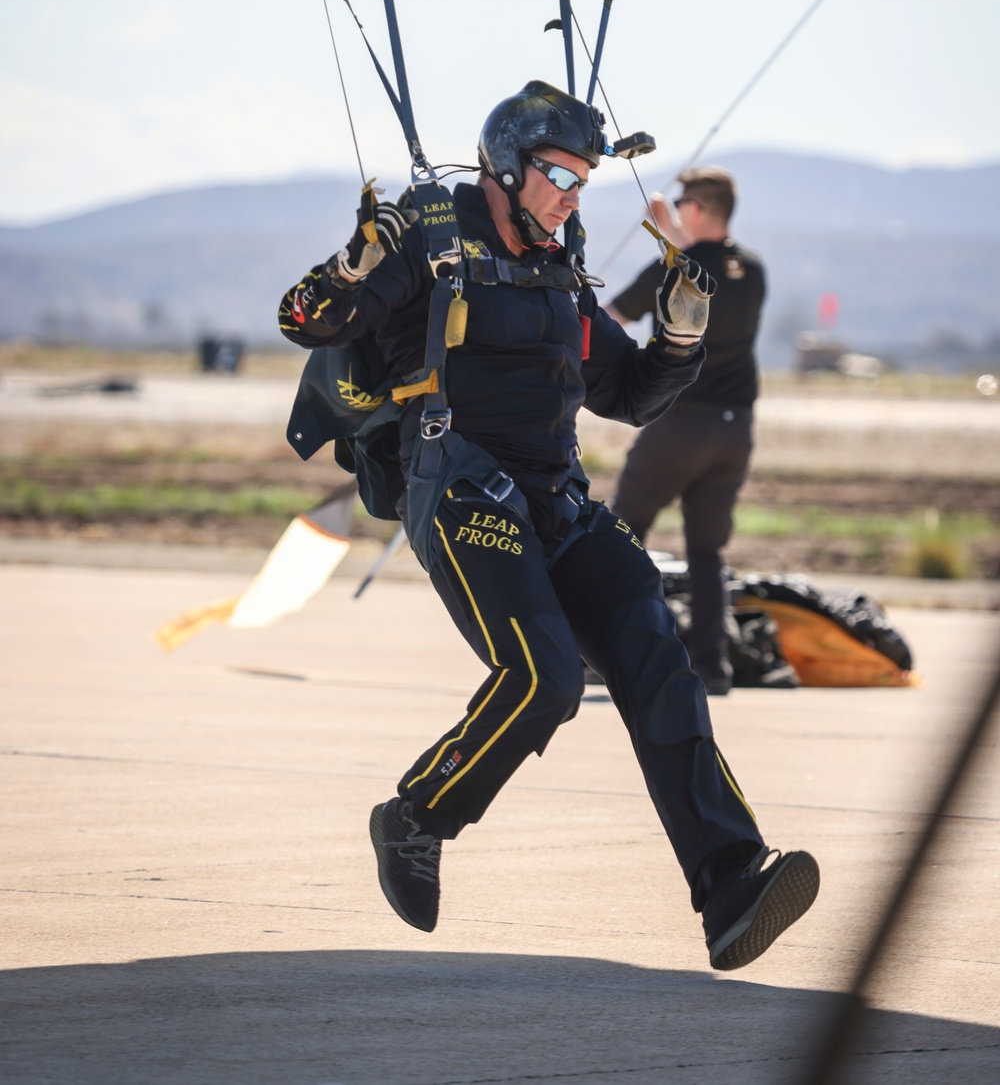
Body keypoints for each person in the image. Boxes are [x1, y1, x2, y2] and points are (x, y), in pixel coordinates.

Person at [278, 84, 816, 968]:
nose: (572, 196)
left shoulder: (560, 271)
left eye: (583, 181)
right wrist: (348, 266)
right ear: (505, 166)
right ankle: (415, 815)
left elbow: (627, 394)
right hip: (459, 492)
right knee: (546, 677)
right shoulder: (427, 241)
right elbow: (302, 319)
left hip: (558, 501)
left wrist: (680, 343)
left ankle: (729, 880)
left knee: (654, 650)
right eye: (560, 175)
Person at [606, 167, 766, 696]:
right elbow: (709, 263)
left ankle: (605, 652)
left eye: (681, 206)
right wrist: (672, 231)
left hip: (680, 423)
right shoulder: (753, 269)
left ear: (694, 209)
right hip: (735, 430)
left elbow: (612, 318)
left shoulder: (673, 267)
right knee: (706, 552)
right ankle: (712, 669)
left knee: (621, 534)